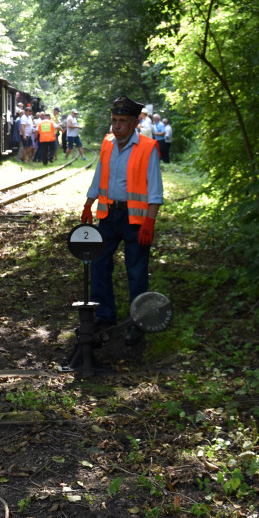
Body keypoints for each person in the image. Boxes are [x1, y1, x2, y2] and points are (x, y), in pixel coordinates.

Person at [80, 96, 164, 347]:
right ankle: (105, 316)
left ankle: (137, 323)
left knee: (136, 272)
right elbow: (98, 177)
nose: (116, 126)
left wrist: (149, 222)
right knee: (98, 265)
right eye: (114, 121)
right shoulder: (107, 144)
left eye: (121, 121)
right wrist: (88, 203)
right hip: (108, 216)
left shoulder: (148, 147)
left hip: (135, 220)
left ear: (134, 123)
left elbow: (155, 191)